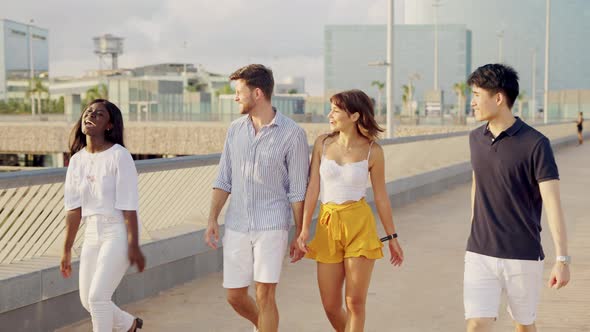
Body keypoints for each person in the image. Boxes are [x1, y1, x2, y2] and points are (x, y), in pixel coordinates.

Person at [465, 64, 570, 332]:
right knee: (476, 325)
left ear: (498, 98)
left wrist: (562, 259)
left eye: (477, 95)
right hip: (480, 252)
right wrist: (474, 225)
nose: (472, 102)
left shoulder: (536, 144)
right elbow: (477, 182)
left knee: (523, 326)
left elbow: (552, 203)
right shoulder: (475, 138)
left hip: (522, 254)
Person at [204, 64, 309, 332]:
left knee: (265, 295)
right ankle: (264, 327)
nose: (236, 98)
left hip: (272, 225)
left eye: (239, 92)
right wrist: (212, 218)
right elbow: (223, 179)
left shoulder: (293, 134)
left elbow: (298, 190)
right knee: (235, 296)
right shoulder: (235, 130)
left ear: (258, 93)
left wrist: (300, 232)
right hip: (237, 224)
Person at [297, 89, 404, 332]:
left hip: (359, 225)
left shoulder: (373, 151)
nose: (330, 115)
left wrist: (392, 238)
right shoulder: (322, 144)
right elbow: (313, 187)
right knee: (331, 305)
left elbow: (381, 196)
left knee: (354, 302)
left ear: (355, 116)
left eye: (336, 110)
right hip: (327, 225)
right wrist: (304, 230)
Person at [60, 99, 145, 332]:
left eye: (98, 115)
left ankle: (127, 325)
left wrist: (133, 245)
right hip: (91, 234)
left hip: (116, 232)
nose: (90, 116)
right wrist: (66, 249)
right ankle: (129, 324)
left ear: (109, 125)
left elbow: (129, 208)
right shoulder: (77, 161)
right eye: (88, 112)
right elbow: (74, 210)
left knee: (98, 298)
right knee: (88, 300)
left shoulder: (120, 156)